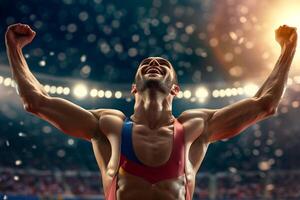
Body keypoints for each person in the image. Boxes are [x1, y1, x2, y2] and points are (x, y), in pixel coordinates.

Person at [5, 23, 297, 200]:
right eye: (145, 63)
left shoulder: (196, 127)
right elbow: (36, 102)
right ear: (134, 87)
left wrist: (287, 51)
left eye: (163, 63)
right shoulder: (108, 125)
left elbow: (265, 104)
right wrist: (15, 49)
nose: (153, 62)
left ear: (175, 89)